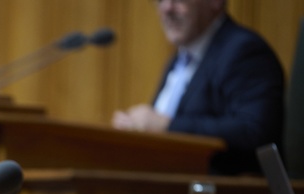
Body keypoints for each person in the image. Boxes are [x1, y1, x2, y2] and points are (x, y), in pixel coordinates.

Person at [112, 0, 285, 175]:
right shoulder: (179, 58)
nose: (167, 8)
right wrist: (135, 131)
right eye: (160, 0)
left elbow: (253, 131)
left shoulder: (244, 50)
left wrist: (167, 127)